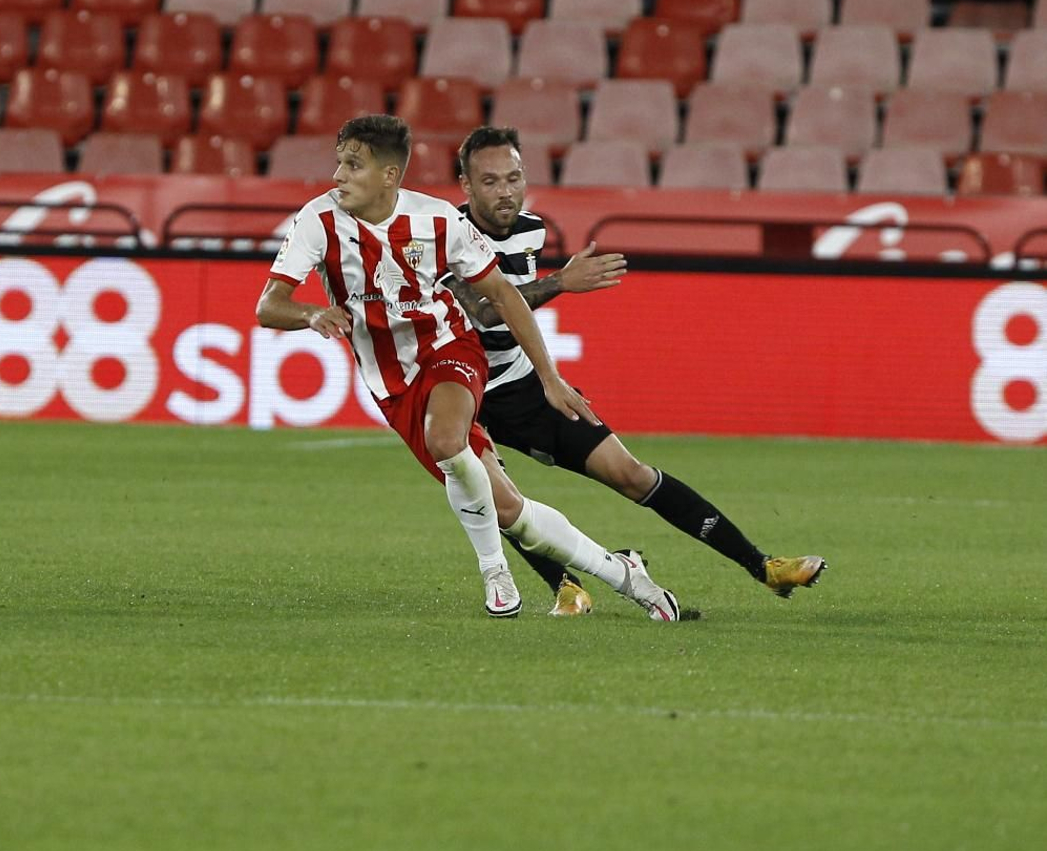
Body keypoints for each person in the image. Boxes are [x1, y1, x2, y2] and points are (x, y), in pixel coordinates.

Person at [256, 114, 683, 621]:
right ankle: (626, 575)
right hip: (391, 383)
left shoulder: (438, 220)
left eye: (352, 165)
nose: (338, 176)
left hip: (450, 347)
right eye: (340, 163)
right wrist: (311, 314)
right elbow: (268, 306)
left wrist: (549, 378)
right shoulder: (319, 220)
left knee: (445, 438)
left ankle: (494, 570)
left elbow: (502, 294)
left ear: (389, 176)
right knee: (509, 510)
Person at [446, 125, 827, 617]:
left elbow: (510, 311)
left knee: (631, 474)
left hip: (522, 384)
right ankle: (566, 586)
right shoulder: (445, 234)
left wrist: (548, 375)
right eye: (491, 181)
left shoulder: (531, 230)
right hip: (458, 389)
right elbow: (485, 310)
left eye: (513, 178)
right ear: (466, 185)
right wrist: (560, 282)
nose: (505, 191)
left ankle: (764, 567)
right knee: (493, 495)